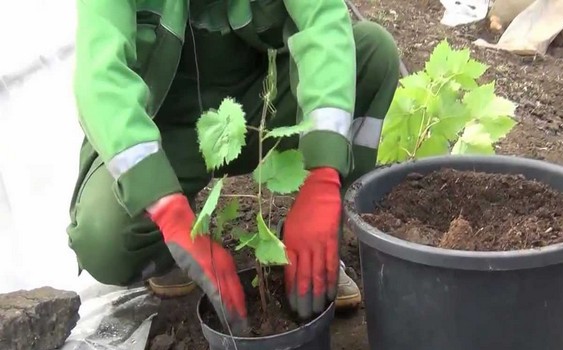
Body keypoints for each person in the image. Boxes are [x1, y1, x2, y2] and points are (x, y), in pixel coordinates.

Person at [67, 0, 399, 333]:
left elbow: (322, 19)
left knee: (371, 54)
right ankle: (172, 248)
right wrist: (169, 212)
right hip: (165, 128)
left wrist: (323, 178)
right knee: (105, 241)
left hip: (261, 105)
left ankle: (314, 250)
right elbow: (100, 77)